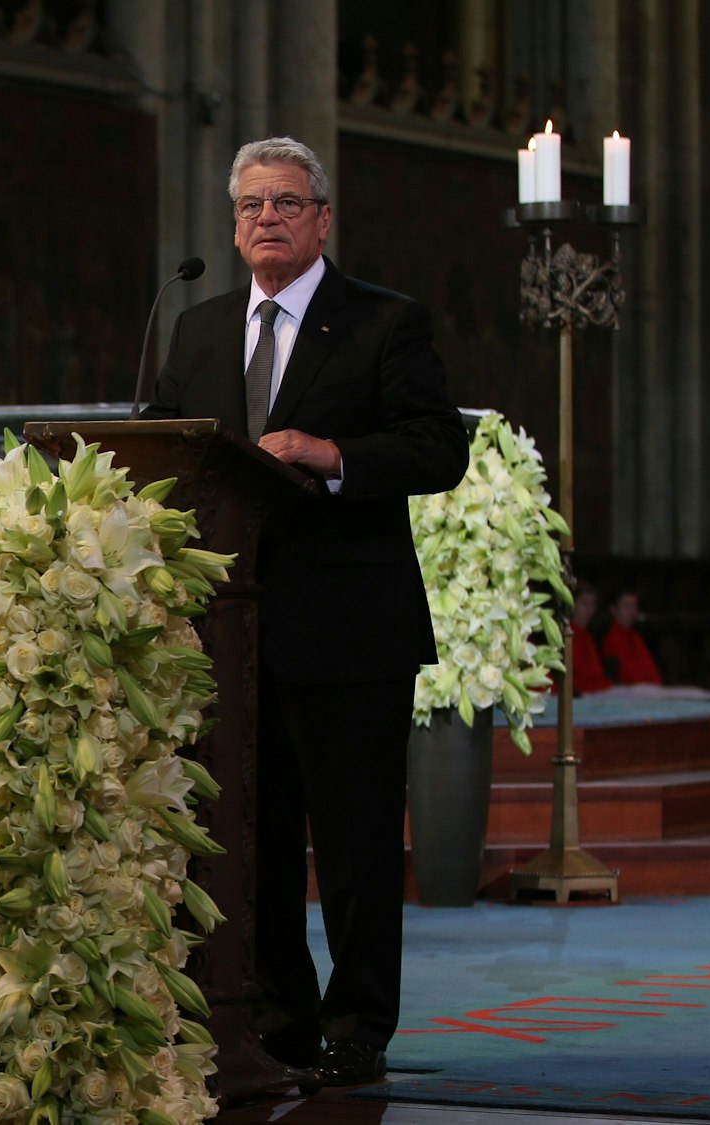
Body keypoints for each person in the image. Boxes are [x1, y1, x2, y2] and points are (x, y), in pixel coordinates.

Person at [143, 136, 468, 1086]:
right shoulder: (199, 327)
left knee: (357, 839)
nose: (266, 219)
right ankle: (277, 1016)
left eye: (286, 202)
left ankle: (359, 1022)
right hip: (227, 632)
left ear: (322, 219)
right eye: (250, 205)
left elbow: (437, 448)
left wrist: (332, 455)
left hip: (349, 626)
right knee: (256, 836)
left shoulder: (381, 323)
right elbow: (160, 441)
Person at [600, 589, 663, 686]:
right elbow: (628, 675)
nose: (633, 611)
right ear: (613, 610)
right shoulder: (609, 636)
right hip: (629, 691)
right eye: (627, 606)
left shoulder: (635, 636)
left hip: (646, 688)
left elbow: (651, 670)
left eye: (634, 606)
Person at [568, 582, 612, 695]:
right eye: (584, 603)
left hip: (597, 689)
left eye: (593, 604)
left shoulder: (587, 634)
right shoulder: (568, 634)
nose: (589, 609)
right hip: (582, 692)